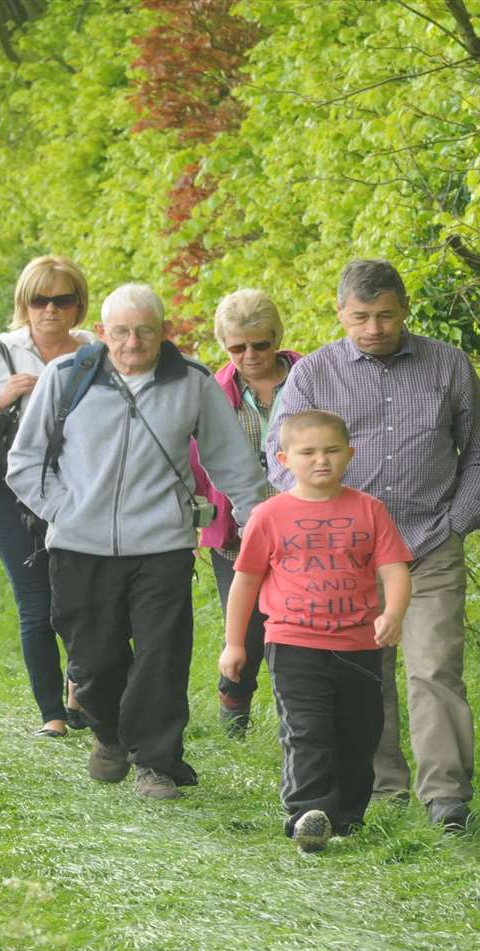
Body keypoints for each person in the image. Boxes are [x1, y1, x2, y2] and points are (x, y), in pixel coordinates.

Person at [4, 283, 268, 800]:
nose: (132, 343)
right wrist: (66, 510)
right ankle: (109, 735)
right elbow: (24, 462)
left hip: (163, 545)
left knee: (161, 655)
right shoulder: (66, 377)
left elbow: (233, 464)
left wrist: (260, 529)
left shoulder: (191, 382)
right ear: (103, 333)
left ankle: (157, 764)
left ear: (162, 331)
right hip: (79, 545)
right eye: (121, 332)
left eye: (144, 331)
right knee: (92, 660)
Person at [267, 259, 480, 832]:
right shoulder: (313, 377)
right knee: (362, 676)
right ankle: (381, 788)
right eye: (361, 317)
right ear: (341, 313)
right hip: (345, 555)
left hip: (428, 543)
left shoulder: (447, 366)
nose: (374, 328)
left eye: (386, 316)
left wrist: (456, 522)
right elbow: (279, 461)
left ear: (404, 311)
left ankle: (446, 797)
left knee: (435, 668)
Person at [220, 409, 412, 852]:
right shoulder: (270, 515)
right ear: (284, 459)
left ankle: (345, 816)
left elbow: (395, 570)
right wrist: (234, 644)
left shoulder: (369, 510)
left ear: (350, 453)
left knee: (360, 731)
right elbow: (245, 581)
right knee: (307, 730)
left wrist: (394, 614)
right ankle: (307, 813)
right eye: (307, 453)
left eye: (330, 451)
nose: (320, 461)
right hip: (293, 642)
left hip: (359, 643)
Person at [0, 255, 96, 738]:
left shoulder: (98, 352)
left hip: (83, 493)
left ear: (78, 305)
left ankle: (82, 693)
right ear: (24, 304)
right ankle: (51, 711)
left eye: (62, 300)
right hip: (12, 496)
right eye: (39, 300)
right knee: (35, 603)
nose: (50, 310)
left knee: (85, 599)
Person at [190, 289, 300, 739]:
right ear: (224, 346)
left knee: (293, 627)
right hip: (237, 531)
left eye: (260, 344)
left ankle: (295, 727)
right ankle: (234, 709)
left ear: (276, 338)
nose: (250, 356)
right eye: (238, 348)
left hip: (303, 524)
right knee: (248, 628)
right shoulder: (213, 393)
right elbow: (197, 464)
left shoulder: (311, 378)